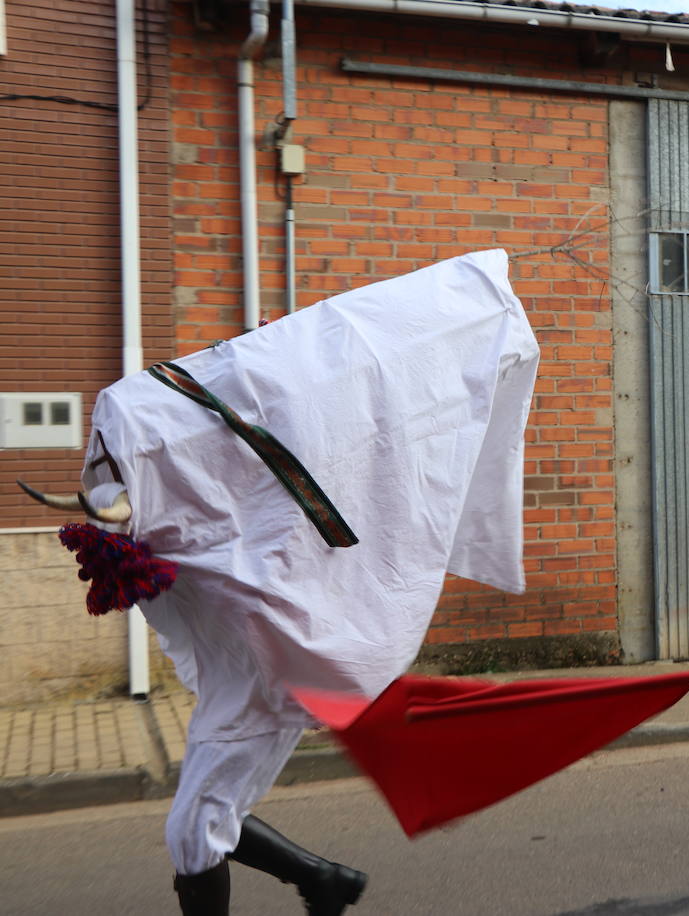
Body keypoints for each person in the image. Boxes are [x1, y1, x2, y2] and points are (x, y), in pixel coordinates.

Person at [20, 251, 540, 915]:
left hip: (268, 675)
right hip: (258, 674)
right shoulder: (227, 542)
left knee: (197, 825)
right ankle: (323, 879)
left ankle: (322, 878)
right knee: (205, 819)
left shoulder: (248, 552)